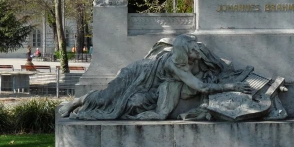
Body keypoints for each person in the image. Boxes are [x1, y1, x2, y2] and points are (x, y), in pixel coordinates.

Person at [58, 35, 254, 121]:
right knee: (107, 98)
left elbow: (216, 64)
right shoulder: (175, 65)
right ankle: (75, 103)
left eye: (197, 47)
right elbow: (201, 87)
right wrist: (232, 86)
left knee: (131, 103)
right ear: (184, 52)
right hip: (137, 74)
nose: (199, 51)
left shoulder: (196, 53)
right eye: (194, 49)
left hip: (151, 84)